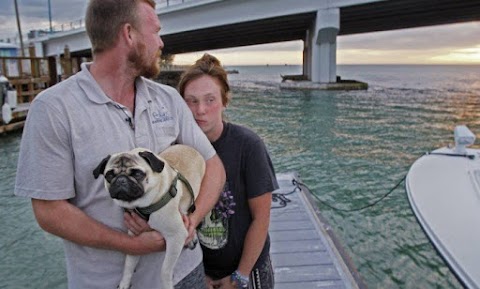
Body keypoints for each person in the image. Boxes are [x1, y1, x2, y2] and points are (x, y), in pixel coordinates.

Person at [14, 1, 225, 288]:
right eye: (155, 31)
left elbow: (213, 166)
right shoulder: (53, 108)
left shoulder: (169, 99)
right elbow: (49, 211)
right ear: (129, 34)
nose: (161, 42)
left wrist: (190, 219)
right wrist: (132, 245)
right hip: (106, 282)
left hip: (184, 273)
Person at [178, 54, 278, 289]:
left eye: (210, 100)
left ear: (224, 101)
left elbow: (261, 219)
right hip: (198, 272)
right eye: (191, 101)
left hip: (247, 268)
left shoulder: (249, 146)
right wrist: (195, 275)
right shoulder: (178, 151)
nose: (200, 110)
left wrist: (240, 277)